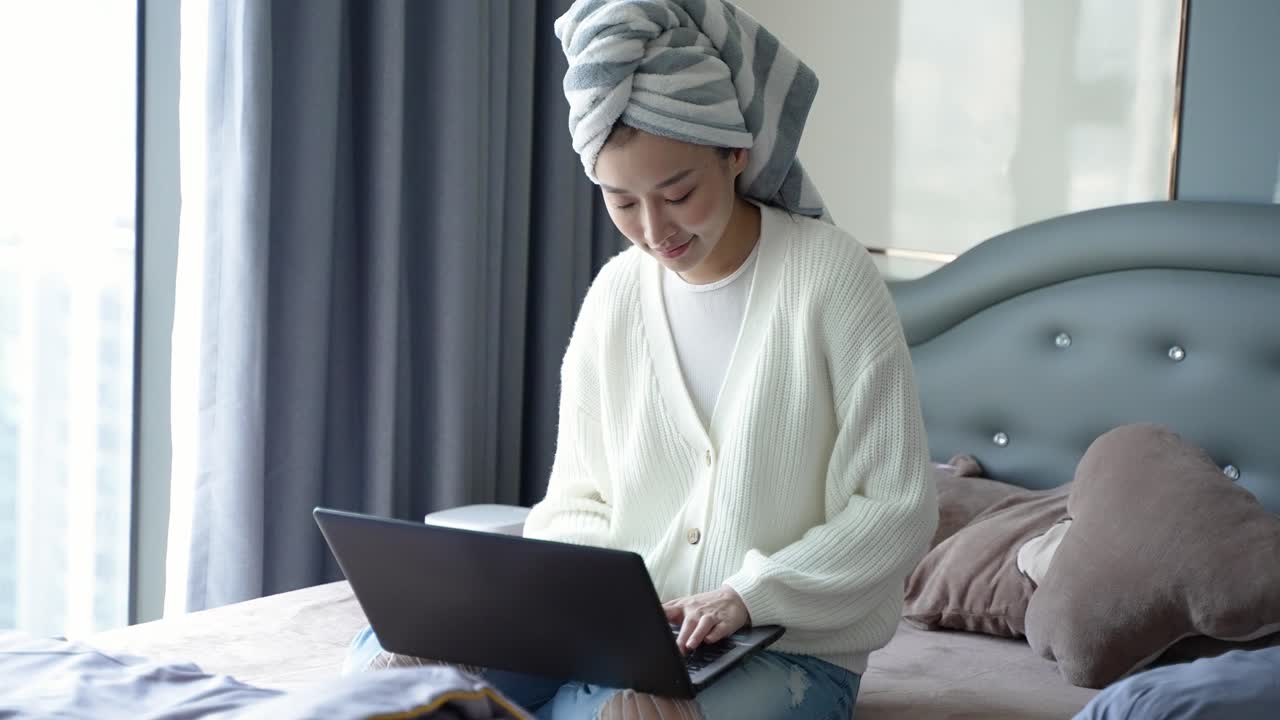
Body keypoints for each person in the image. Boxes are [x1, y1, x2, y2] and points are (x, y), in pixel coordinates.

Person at [346, 1, 937, 717]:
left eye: (678, 193)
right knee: (391, 663)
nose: (654, 230)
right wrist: (569, 604)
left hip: (785, 648)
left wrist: (747, 596)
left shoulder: (830, 276)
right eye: (621, 202)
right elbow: (577, 499)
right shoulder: (616, 293)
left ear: (736, 152)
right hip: (613, 635)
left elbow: (895, 507)